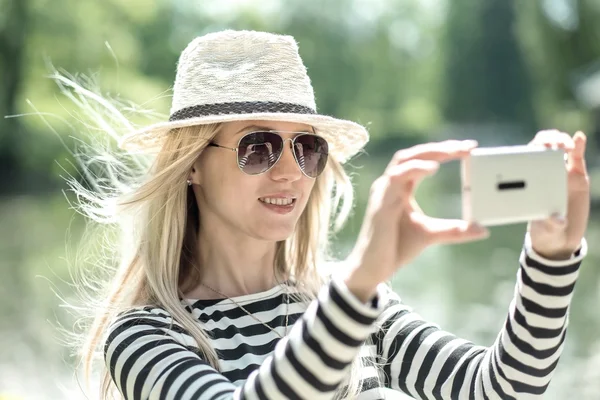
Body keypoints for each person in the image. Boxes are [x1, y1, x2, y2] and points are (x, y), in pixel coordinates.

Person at [72, 30, 590, 399]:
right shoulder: (146, 336)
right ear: (193, 167)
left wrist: (552, 256)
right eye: (258, 147)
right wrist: (358, 285)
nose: (291, 173)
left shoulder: (353, 302)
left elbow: (502, 388)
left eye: (307, 149)